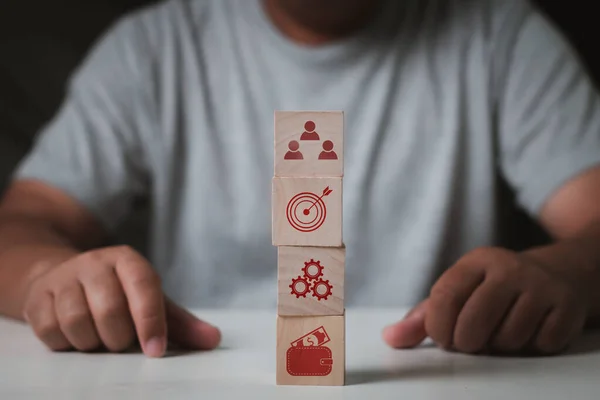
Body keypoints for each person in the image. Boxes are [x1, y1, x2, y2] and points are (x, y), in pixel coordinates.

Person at [0, 0, 599, 359]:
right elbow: (21, 224)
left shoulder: (500, 33)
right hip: (190, 373)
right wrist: (50, 278)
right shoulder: (153, 48)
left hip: (428, 373)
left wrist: (567, 269)